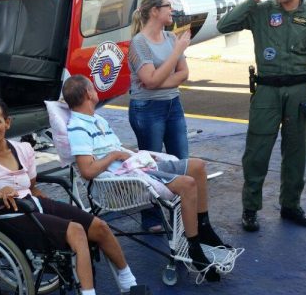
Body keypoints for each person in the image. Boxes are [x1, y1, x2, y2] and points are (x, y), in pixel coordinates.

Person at [0, 96, 145, 295]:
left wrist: (51, 206)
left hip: (31, 203)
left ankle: (129, 283)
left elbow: (31, 186)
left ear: (7, 123)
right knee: (75, 231)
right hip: (5, 217)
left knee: (98, 227)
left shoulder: (23, 150)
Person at [62, 75, 229, 283]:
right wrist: (115, 155)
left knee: (198, 167)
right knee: (188, 184)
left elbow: (115, 151)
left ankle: (204, 228)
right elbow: (87, 171)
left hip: (136, 166)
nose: (96, 91)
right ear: (88, 94)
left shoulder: (98, 119)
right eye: (93, 88)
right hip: (125, 181)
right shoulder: (78, 127)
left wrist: (134, 155)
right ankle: (195, 248)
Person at [216, 0, 306, 232]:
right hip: (266, 90)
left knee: (296, 151)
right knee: (257, 151)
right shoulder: (261, 11)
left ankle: (291, 205)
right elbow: (225, 25)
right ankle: (250, 209)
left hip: (298, 91)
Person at [128, 0, 191, 232]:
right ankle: (151, 218)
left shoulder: (171, 37)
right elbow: (150, 80)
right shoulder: (139, 43)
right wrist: (174, 56)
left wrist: (157, 81)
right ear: (155, 11)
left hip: (173, 104)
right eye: (168, 6)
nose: (172, 10)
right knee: (149, 164)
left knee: (181, 159)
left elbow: (184, 74)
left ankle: (181, 214)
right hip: (147, 109)